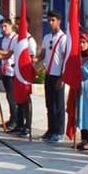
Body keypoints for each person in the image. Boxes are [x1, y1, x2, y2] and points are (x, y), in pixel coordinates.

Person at [33, 11, 67, 143]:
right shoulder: (47, 37)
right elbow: (42, 55)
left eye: (53, 20)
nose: (50, 23)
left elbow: (65, 60)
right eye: (49, 20)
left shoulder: (64, 39)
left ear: (59, 21)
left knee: (58, 105)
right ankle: (50, 129)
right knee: (49, 104)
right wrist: (32, 60)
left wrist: (62, 78)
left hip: (58, 75)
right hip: (49, 74)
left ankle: (59, 131)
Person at [0, 18, 19, 130]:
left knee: (12, 97)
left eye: (6, 26)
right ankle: (12, 118)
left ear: (11, 26)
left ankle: (15, 120)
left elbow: (8, 53)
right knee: (8, 96)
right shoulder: (5, 40)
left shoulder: (15, 38)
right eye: (2, 27)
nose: (4, 29)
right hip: (6, 71)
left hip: (13, 71)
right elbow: (3, 56)